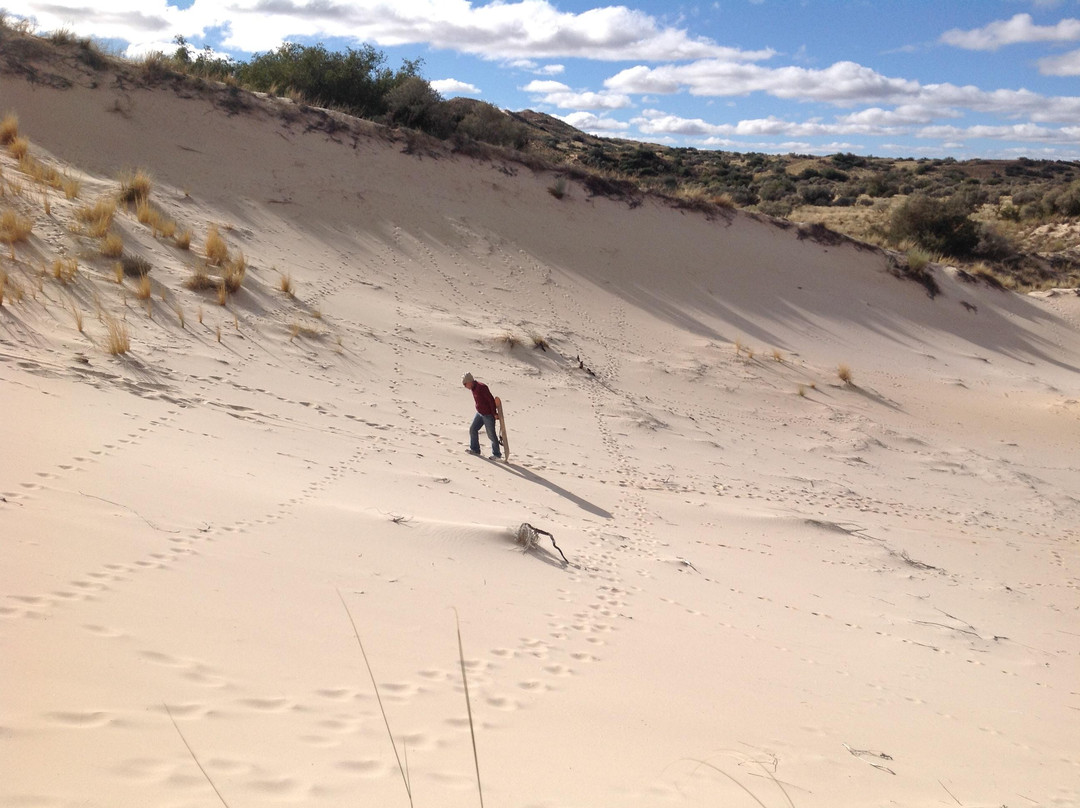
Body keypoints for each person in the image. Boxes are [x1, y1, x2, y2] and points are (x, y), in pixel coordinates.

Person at [462, 372, 501, 459]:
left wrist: (494, 413)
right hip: (480, 413)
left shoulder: (482, 387)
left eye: (465, 384)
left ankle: (497, 455)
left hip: (488, 415)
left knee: (491, 434)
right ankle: (475, 449)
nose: (465, 386)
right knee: (473, 429)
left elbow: (491, 400)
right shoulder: (473, 388)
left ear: (469, 381)